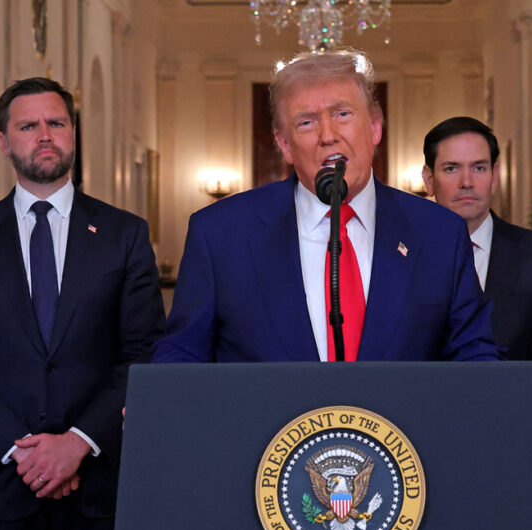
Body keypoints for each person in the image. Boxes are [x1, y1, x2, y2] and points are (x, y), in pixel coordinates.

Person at [152, 49, 500, 363]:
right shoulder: (220, 233)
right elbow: (183, 351)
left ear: (375, 127)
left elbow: (473, 352)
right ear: (285, 145)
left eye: (343, 114)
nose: (328, 134)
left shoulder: (438, 232)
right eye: (306, 122)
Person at [0, 77, 166, 530]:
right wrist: (24, 452)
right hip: (2, 484)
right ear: (3, 141)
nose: (44, 135)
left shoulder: (124, 235)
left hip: (100, 483)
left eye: (56, 122)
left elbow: (144, 352)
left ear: (73, 132)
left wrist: (77, 443)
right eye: (27, 125)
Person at [421, 116, 532, 430]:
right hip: (418, 446)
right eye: (451, 168)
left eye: (479, 168)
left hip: (517, 440)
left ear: (495, 176)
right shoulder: (399, 258)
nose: (467, 182)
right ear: (429, 179)